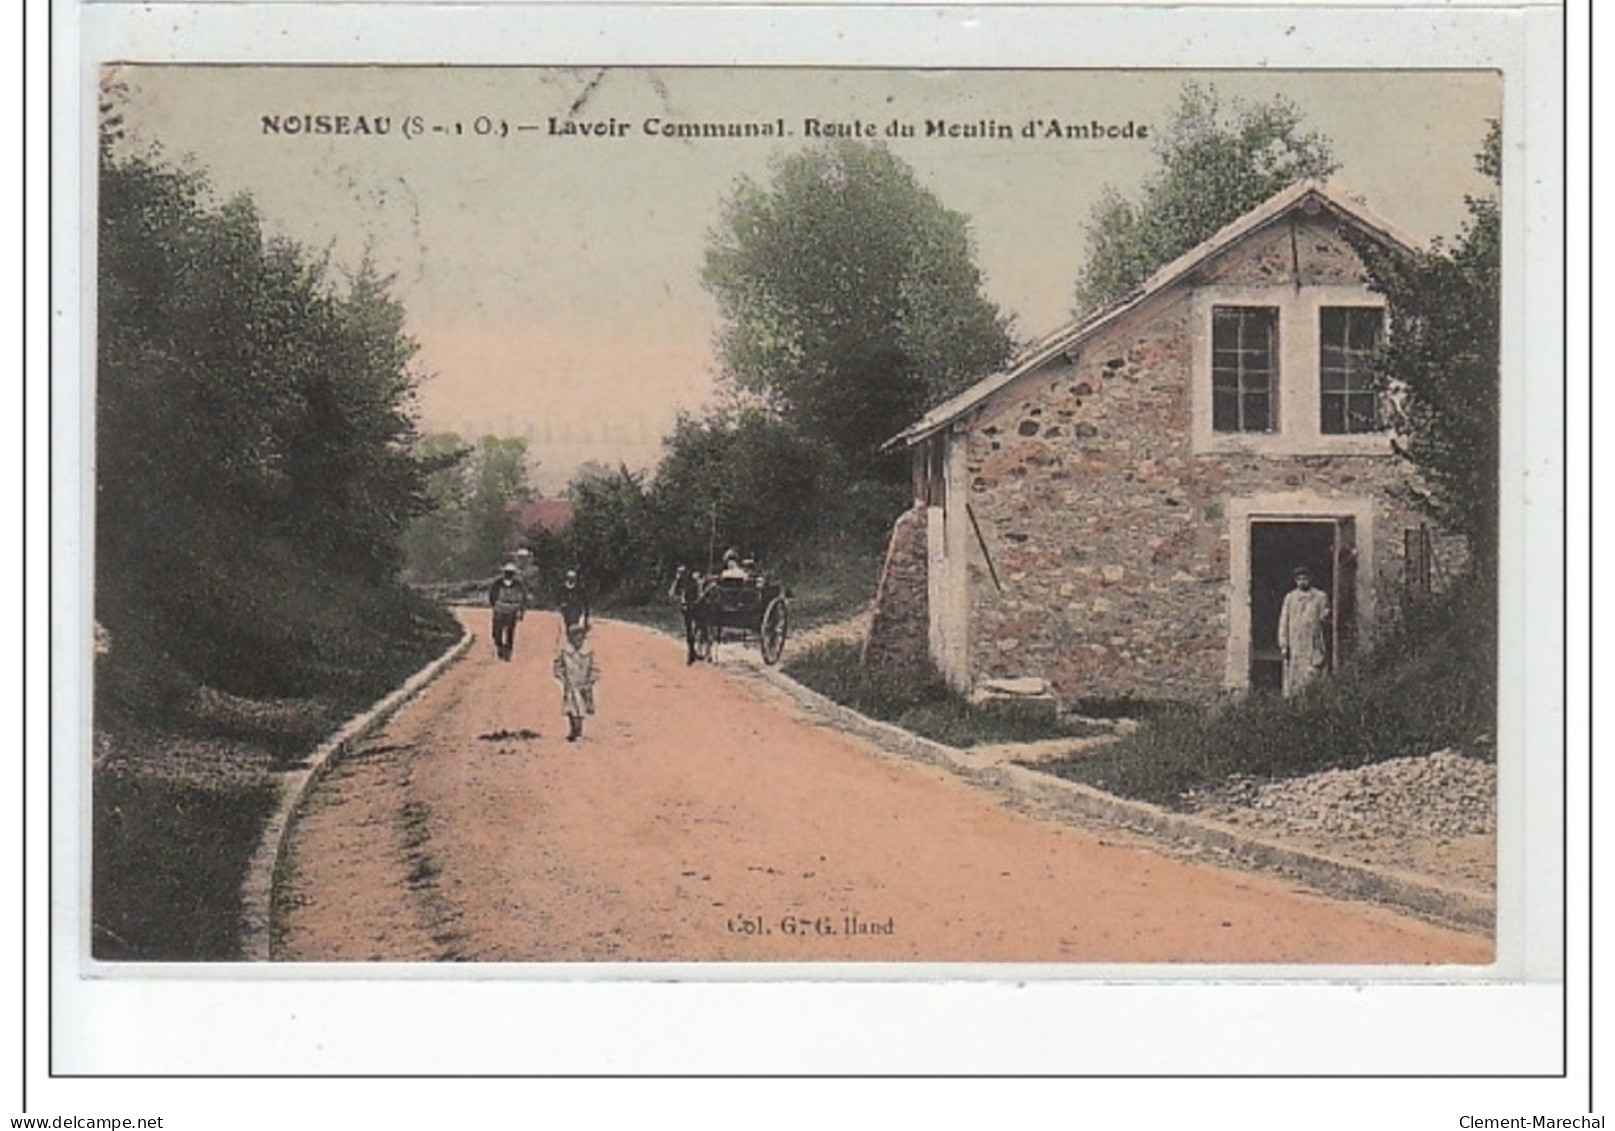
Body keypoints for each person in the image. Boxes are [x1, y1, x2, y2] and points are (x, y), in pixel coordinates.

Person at [1277, 566, 1331, 697]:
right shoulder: (1290, 598)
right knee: (1295, 678)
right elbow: (1284, 621)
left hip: (1313, 641)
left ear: (1310, 579)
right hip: (1295, 642)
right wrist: (1283, 644)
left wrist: (1324, 617)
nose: (1302, 582)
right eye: (1299, 579)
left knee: (1314, 673)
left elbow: (1325, 618)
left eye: (1305, 578)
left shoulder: (1320, 596)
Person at [552, 623, 599, 742]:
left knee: (581, 709)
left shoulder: (589, 653)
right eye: (575, 638)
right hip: (570, 684)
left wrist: (591, 680)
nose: (578, 641)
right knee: (571, 708)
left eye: (581, 638)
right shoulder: (564, 652)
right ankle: (573, 729)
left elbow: (595, 668)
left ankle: (579, 730)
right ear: (570, 639)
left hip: (584, 684)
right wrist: (562, 678)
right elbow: (558, 667)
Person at [487, 562, 529, 661]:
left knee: (510, 631)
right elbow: (492, 595)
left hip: (512, 610)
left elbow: (523, 598)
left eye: (510, 573)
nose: (509, 575)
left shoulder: (518, 584)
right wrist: (494, 605)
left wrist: (521, 611)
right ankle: (500, 646)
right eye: (507, 572)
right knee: (497, 631)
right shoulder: (497, 583)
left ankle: (508, 651)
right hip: (500, 608)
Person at [669, 565, 707, 665]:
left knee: (695, 628)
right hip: (687, 607)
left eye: (683, 574)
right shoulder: (680, 581)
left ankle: (694, 650)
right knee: (689, 630)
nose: (682, 576)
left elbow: (700, 594)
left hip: (695, 606)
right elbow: (672, 593)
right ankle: (692, 651)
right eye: (680, 574)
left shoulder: (694, 582)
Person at [558, 569, 590, 633]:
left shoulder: (579, 587)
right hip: (567, 608)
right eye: (570, 578)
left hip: (577, 607)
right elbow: (560, 597)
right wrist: (562, 603)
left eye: (572, 578)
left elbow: (583, 599)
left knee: (582, 615)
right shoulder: (563, 587)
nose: (571, 579)